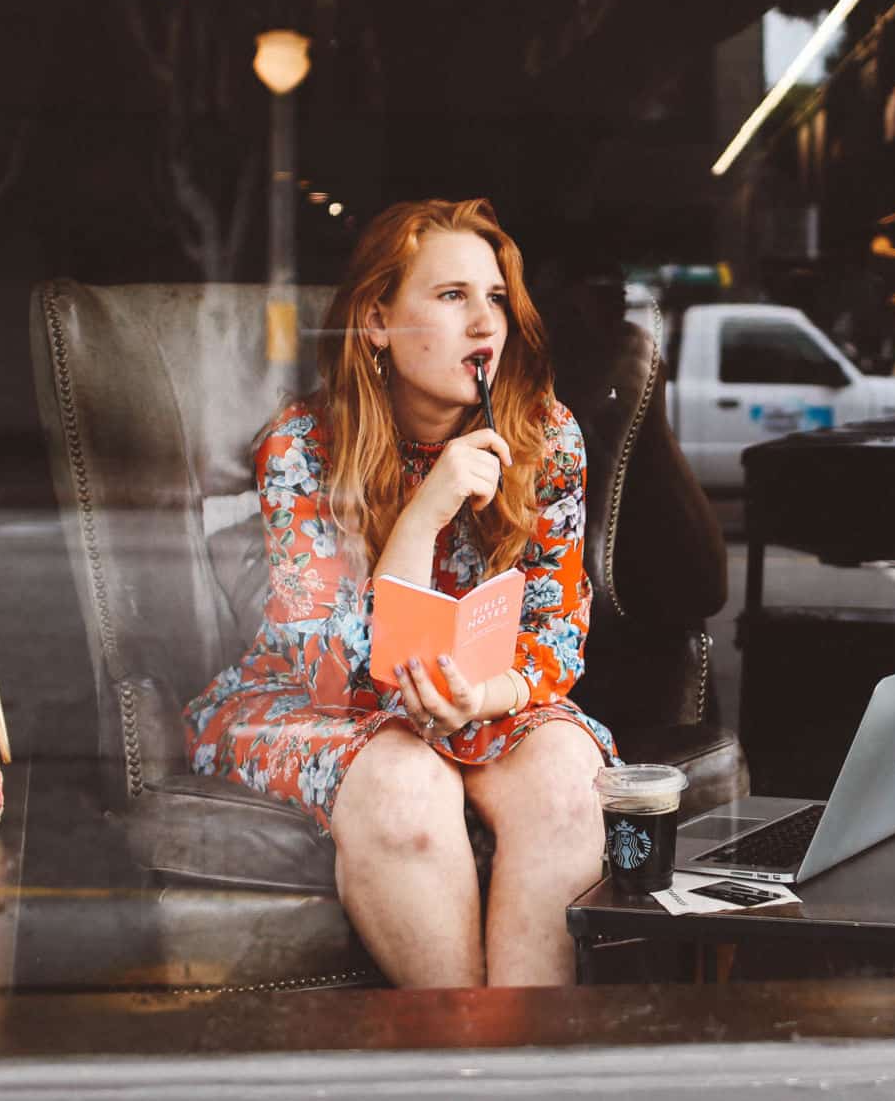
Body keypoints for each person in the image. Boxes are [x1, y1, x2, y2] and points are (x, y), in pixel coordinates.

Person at [183, 198, 613, 988]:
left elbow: (554, 631)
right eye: (451, 296)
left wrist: (481, 693)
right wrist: (425, 513)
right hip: (320, 705)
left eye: (494, 297)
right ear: (376, 320)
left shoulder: (545, 437)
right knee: (405, 780)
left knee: (567, 780)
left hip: (483, 702)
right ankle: (458, 1059)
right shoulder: (303, 446)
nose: (484, 322)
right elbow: (339, 674)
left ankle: (519, 1063)